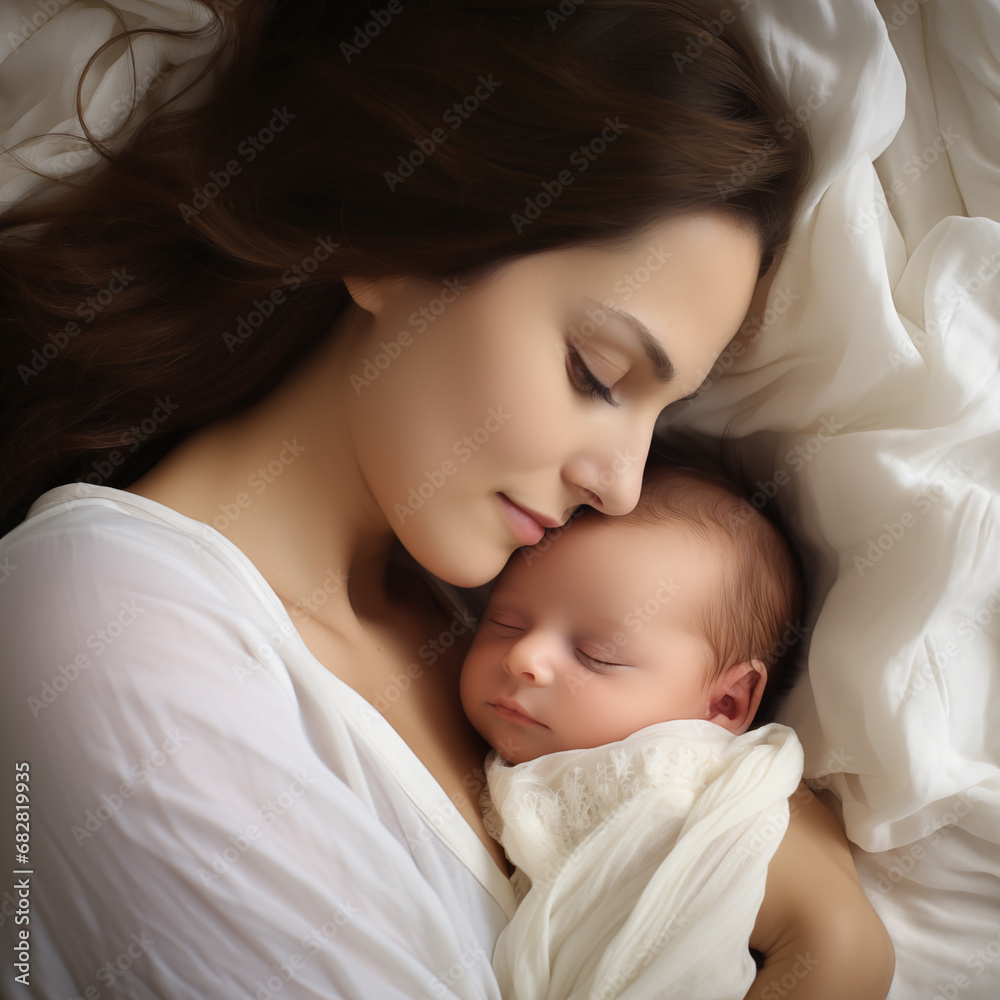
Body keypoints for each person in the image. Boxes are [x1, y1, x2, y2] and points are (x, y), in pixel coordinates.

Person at [0, 1, 884, 997]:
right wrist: (835, 937)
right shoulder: (101, 622)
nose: (622, 481)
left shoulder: (475, 630)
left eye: (662, 408)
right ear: (396, 237)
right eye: (597, 372)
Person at [460, 456, 895, 999]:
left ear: (725, 704)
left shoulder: (693, 787)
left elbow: (849, 948)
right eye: (505, 622)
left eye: (597, 655)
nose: (524, 655)